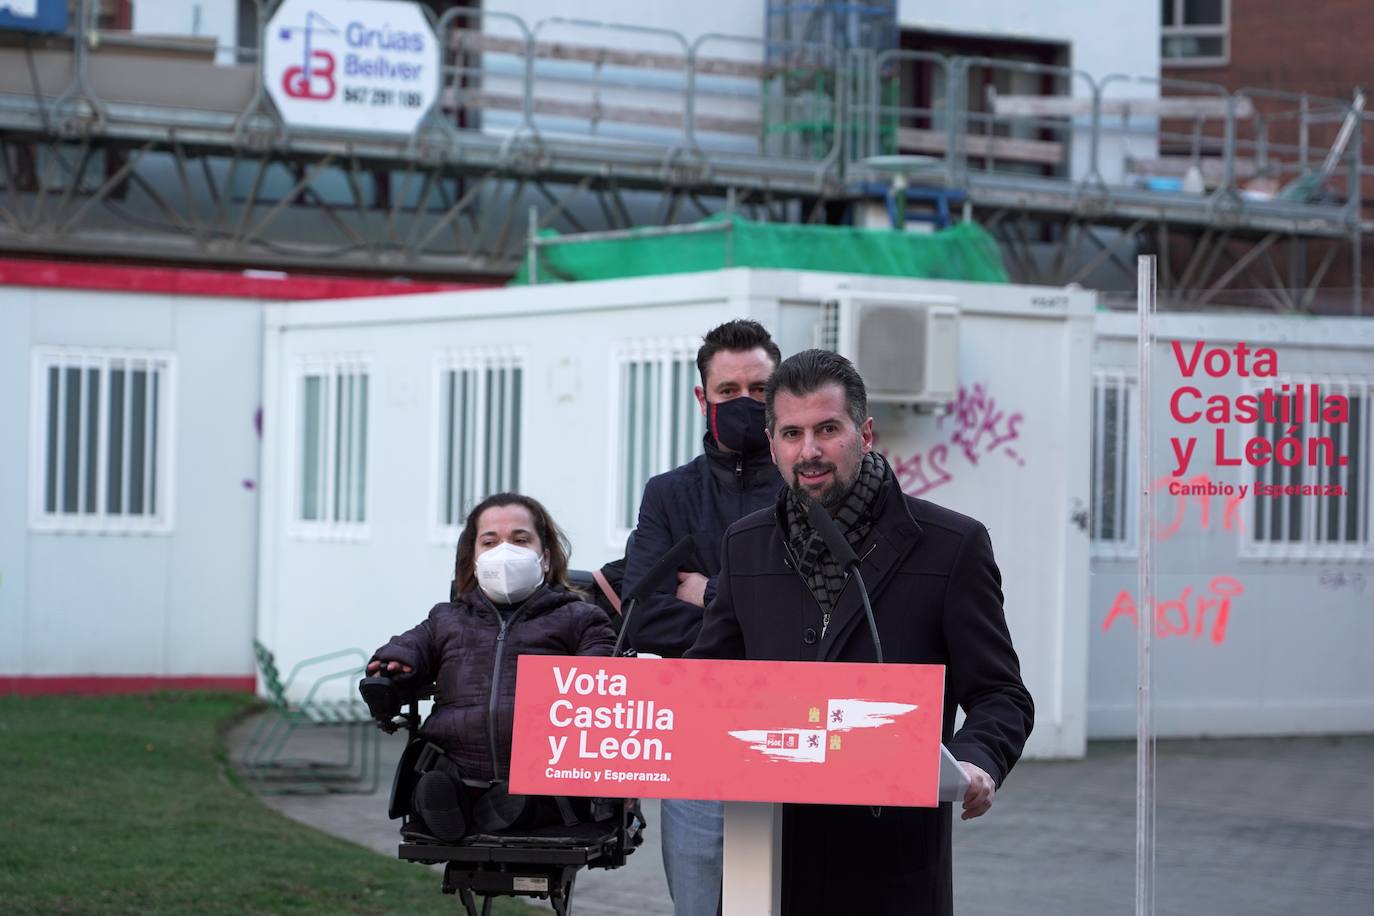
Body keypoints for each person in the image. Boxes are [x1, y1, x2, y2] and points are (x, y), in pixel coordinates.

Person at [688, 349, 1034, 915]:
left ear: (864, 432)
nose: (810, 451)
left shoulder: (950, 546)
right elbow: (709, 681)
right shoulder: (744, 544)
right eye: (793, 433)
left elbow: (1002, 694)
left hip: (890, 863)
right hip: (766, 859)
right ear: (772, 443)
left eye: (828, 429)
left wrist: (976, 761)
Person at [621, 318, 784, 916]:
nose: (745, 404)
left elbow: (825, 613)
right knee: (700, 902)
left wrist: (709, 590)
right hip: (696, 730)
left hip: (791, 725)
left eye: (760, 390)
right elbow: (642, 614)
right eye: (728, 391)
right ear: (702, 398)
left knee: (780, 896)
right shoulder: (668, 493)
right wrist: (761, 619)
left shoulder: (809, 492)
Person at [368, 492, 617, 841]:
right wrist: (393, 662)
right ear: (474, 561)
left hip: (544, 774)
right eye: (490, 541)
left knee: (530, 798)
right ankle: (451, 805)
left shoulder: (582, 619)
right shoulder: (446, 619)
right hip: (458, 767)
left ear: (544, 558)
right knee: (443, 783)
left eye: (520, 540)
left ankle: (506, 808)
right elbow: (409, 645)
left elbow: (604, 675)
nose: (505, 552)